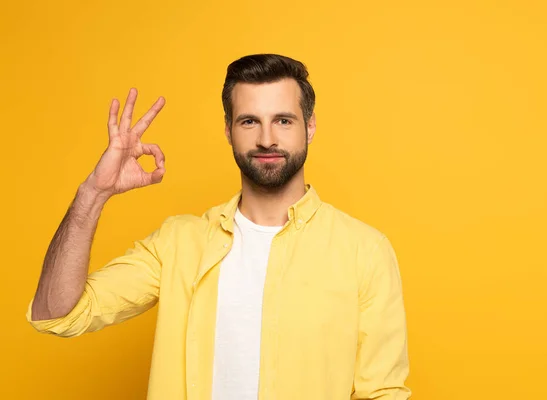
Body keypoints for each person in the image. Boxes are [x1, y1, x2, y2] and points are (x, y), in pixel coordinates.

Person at [26, 54, 411, 400]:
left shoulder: (365, 250)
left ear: (309, 127)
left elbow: (383, 394)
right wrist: (94, 192)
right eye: (249, 121)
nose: (266, 139)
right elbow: (57, 314)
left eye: (283, 120)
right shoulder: (179, 243)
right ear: (228, 130)